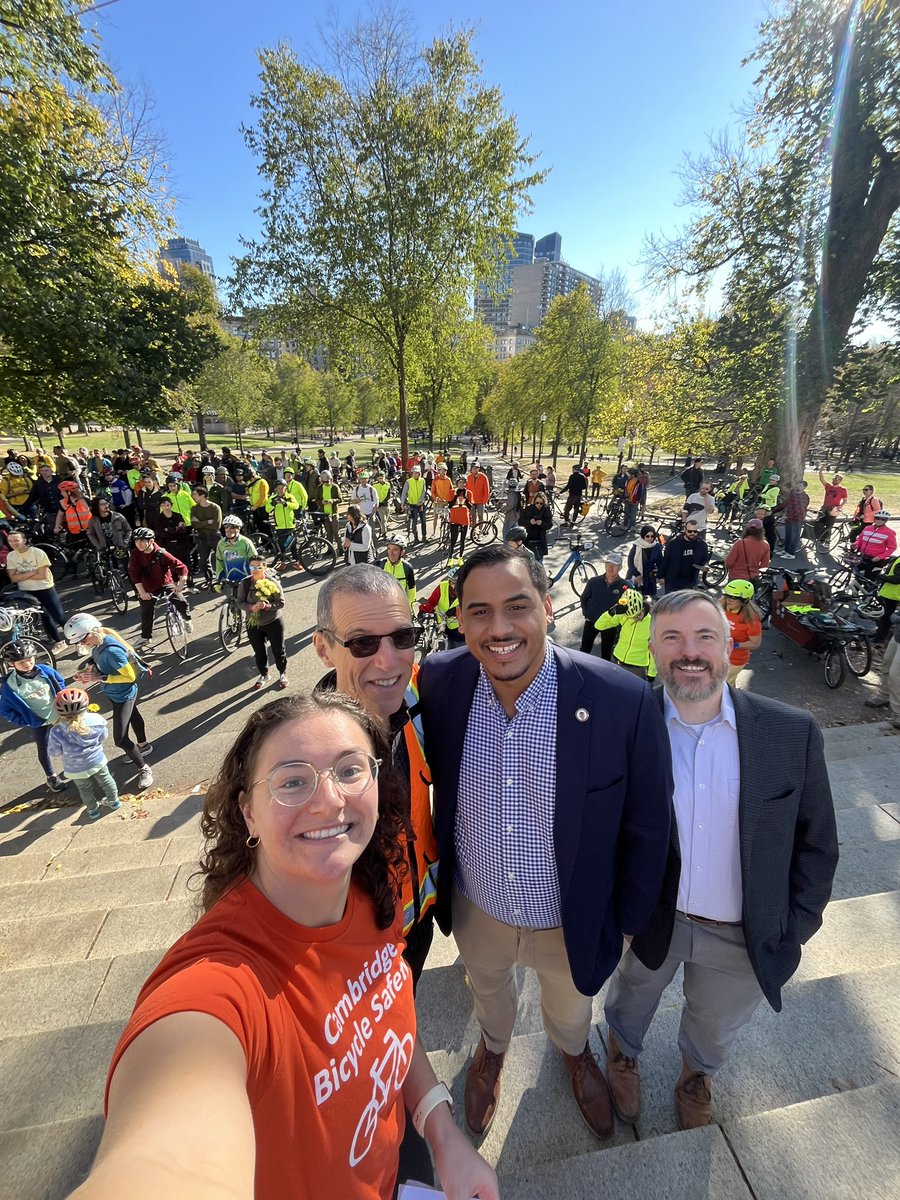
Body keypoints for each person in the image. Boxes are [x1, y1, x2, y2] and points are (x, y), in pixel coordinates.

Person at [72, 691, 497, 1200]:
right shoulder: (216, 989)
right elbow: (165, 1158)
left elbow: (386, 1021)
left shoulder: (369, 888)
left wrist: (441, 1131)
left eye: (350, 770)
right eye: (293, 781)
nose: (330, 800)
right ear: (248, 812)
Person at [418, 546, 672, 1141]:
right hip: (478, 906)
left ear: (549, 607)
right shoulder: (439, 681)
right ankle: (492, 1050)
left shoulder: (621, 700)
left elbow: (648, 825)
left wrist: (630, 921)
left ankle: (576, 1052)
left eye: (517, 607)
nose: (499, 628)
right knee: (489, 993)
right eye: (479, 611)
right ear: (459, 619)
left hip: (571, 920)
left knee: (571, 1008)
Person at [603, 589, 838, 1131]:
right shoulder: (626, 729)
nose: (690, 652)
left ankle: (696, 1076)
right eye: (673, 638)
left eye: (704, 636)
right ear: (654, 652)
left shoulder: (791, 732)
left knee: (715, 1025)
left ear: (730, 645)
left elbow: (818, 843)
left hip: (742, 931)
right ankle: (623, 1052)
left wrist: (793, 927)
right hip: (652, 920)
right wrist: (620, 914)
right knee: (631, 999)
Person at [65, 612, 153, 790]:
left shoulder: (112, 650)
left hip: (124, 694)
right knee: (133, 715)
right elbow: (99, 663)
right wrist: (87, 672)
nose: (82, 645)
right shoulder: (98, 644)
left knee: (120, 739)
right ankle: (143, 745)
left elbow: (129, 677)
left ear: (93, 631)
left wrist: (99, 678)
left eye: (83, 640)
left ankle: (144, 769)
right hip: (115, 693)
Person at [0, 641, 69, 792]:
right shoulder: (10, 686)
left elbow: (60, 682)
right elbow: (5, 709)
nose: (27, 664)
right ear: (12, 664)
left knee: (69, 740)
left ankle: (74, 765)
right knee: (43, 748)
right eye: (21, 662)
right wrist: (26, 720)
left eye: (30, 659)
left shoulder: (45, 670)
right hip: (39, 722)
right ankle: (51, 776)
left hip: (60, 715)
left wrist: (64, 701)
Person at [47, 687, 122, 820]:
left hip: (75, 768)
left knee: (85, 789)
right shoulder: (97, 720)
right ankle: (114, 802)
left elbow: (54, 751)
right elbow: (103, 736)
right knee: (106, 780)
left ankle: (93, 811)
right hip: (97, 761)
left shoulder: (57, 731)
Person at [127, 527, 191, 652]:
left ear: (151, 541)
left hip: (165, 583)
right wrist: (142, 593)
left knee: (180, 600)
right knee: (146, 611)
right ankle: (145, 637)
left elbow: (182, 567)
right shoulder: (135, 554)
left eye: (142, 540)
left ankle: (187, 618)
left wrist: (181, 584)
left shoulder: (161, 553)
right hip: (148, 587)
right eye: (136, 541)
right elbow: (134, 575)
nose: (139, 543)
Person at [4, 528, 68, 650]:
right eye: (10, 541)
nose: (13, 543)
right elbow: (14, 578)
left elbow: (42, 575)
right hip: (27, 591)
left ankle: (80, 641)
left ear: (24, 540)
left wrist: (22, 575)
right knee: (45, 616)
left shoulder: (37, 553)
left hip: (45, 588)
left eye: (16, 540)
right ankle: (59, 642)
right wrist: (33, 572)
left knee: (59, 617)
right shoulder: (11, 556)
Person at [237, 555, 288, 691]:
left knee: (278, 650)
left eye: (259, 567)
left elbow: (281, 602)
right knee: (259, 652)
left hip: (273, 622)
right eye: (252, 567)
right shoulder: (245, 583)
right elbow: (240, 602)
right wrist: (250, 607)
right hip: (253, 624)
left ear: (264, 567)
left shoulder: (272, 582)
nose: (255, 570)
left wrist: (267, 606)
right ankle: (264, 675)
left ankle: (282, 673)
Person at [595, 588, 653, 680]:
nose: (635, 619)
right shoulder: (624, 616)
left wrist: (652, 674)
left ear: (642, 608)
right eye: (632, 617)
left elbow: (654, 651)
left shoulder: (652, 624)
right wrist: (611, 612)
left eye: (637, 616)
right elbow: (599, 626)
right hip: (617, 660)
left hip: (637, 668)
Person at [579, 552, 627, 657]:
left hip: (610, 624)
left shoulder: (625, 586)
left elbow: (628, 605)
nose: (610, 567)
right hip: (592, 621)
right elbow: (584, 598)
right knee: (584, 650)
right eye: (608, 564)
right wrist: (587, 614)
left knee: (606, 653)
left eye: (614, 565)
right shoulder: (593, 581)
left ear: (620, 567)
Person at [721, 579, 763, 685]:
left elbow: (755, 643)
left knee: (722, 687)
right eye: (727, 595)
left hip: (734, 661)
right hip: (718, 655)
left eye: (734, 598)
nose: (728, 600)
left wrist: (733, 645)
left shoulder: (751, 620)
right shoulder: (722, 606)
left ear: (744, 600)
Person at [418, 559, 465, 648]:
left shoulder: (468, 591)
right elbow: (432, 601)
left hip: (459, 628)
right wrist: (423, 610)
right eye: (452, 582)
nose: (454, 585)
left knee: (459, 650)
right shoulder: (442, 586)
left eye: (458, 583)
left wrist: (455, 611)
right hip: (442, 623)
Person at [661, 522, 709, 592]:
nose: (692, 533)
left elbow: (704, 559)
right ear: (685, 530)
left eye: (695, 531)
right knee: (671, 603)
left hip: (690, 583)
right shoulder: (673, 543)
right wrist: (661, 576)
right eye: (689, 531)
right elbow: (665, 560)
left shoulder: (702, 545)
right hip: (672, 582)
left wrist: (704, 566)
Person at [190, 485, 223, 587]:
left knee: (221, 558)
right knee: (203, 561)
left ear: (203, 495)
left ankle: (222, 577)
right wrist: (208, 521)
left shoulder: (215, 508)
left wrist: (201, 523)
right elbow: (194, 524)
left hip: (215, 536)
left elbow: (216, 525)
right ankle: (209, 578)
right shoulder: (195, 508)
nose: (193, 497)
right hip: (202, 537)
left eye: (195, 494)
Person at [214, 515, 258, 585]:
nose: (228, 529)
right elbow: (219, 562)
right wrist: (218, 580)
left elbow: (255, 561)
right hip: (230, 580)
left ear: (238, 528)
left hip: (246, 580)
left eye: (232, 527)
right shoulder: (221, 543)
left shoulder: (246, 542)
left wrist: (256, 577)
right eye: (226, 526)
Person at [724, 519, 771, 585]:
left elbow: (729, 562)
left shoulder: (740, 543)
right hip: (753, 578)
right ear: (761, 530)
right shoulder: (765, 545)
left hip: (736, 576)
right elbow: (764, 566)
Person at [853, 510, 896, 581]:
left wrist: (879, 557)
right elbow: (860, 539)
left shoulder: (889, 533)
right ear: (874, 518)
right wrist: (855, 544)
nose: (879, 520)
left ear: (886, 521)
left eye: (883, 519)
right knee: (857, 576)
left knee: (868, 579)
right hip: (863, 557)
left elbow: (892, 548)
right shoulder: (867, 528)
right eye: (878, 518)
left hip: (875, 560)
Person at [376, 534, 416, 609]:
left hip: (399, 608)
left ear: (402, 552)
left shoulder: (407, 567)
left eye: (395, 549)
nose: (391, 553)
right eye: (389, 549)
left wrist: (410, 609)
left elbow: (411, 591)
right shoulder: (379, 565)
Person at [266, 480, 300, 565]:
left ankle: (296, 561)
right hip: (279, 525)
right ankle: (283, 562)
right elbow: (267, 509)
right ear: (276, 489)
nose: (280, 490)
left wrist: (286, 503)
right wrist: (273, 504)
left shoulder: (290, 496)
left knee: (292, 544)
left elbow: (296, 506)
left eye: (282, 488)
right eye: (278, 488)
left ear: (286, 488)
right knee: (282, 545)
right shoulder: (272, 498)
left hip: (290, 524)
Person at [152, 496, 193, 567]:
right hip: (166, 545)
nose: (166, 507)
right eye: (163, 505)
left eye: (168, 505)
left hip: (181, 544)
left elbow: (183, 530)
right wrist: (176, 528)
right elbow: (161, 533)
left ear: (171, 505)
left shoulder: (178, 516)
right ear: (160, 506)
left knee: (184, 563)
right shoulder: (158, 518)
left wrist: (169, 529)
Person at [626, 525, 663, 598]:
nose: (650, 538)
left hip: (649, 577)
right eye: (647, 536)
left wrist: (661, 576)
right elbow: (630, 562)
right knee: (634, 596)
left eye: (652, 536)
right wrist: (637, 574)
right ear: (643, 536)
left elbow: (660, 561)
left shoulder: (656, 546)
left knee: (648, 598)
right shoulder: (637, 545)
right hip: (636, 575)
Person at [813, 467, 847, 541]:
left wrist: (839, 507)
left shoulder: (843, 490)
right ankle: (818, 538)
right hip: (825, 507)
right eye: (834, 479)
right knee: (819, 522)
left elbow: (845, 501)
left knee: (829, 525)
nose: (834, 480)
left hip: (833, 509)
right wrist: (820, 471)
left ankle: (827, 540)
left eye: (836, 479)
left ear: (840, 481)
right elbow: (822, 479)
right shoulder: (828, 486)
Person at [778, 481, 810, 559]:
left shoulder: (804, 497)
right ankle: (786, 550)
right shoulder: (793, 494)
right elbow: (785, 504)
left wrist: (787, 516)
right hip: (789, 518)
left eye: (800, 485)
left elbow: (799, 511)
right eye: (797, 484)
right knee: (788, 536)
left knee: (794, 537)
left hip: (797, 519)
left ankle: (791, 553)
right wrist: (773, 511)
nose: (798, 486)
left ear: (804, 487)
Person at [521, 491, 553, 561]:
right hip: (528, 540)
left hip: (540, 541)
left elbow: (549, 524)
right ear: (534, 501)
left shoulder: (546, 510)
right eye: (537, 503)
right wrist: (529, 521)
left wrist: (541, 523)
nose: (539, 505)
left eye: (541, 503)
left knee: (539, 563)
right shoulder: (528, 509)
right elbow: (520, 521)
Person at [401, 465, 428, 545]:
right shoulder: (408, 481)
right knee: (414, 522)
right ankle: (416, 538)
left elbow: (424, 491)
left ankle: (424, 537)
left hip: (421, 504)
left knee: (423, 521)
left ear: (419, 473)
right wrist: (402, 503)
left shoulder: (422, 480)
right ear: (411, 473)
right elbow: (404, 493)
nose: (415, 474)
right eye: (414, 473)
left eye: (417, 473)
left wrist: (421, 501)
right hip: (412, 505)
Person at [430, 463, 454, 538]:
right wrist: (435, 498)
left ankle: (447, 532)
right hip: (438, 501)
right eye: (442, 470)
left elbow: (452, 490)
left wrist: (452, 499)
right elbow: (433, 490)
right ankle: (433, 532)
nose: (443, 472)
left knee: (447, 518)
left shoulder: (448, 479)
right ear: (439, 471)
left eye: (445, 471)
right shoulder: (435, 479)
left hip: (446, 501)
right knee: (435, 517)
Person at [447, 486, 471, 559]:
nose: (462, 484)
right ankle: (450, 558)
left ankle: (460, 557)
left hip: (464, 520)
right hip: (454, 519)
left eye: (463, 482)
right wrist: (456, 496)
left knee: (462, 540)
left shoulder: (469, 493)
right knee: (453, 540)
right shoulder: (452, 492)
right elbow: (449, 506)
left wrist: (465, 499)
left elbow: (470, 507)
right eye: (460, 482)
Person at [466, 463, 491, 530]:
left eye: (476, 468)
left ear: (478, 469)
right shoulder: (469, 477)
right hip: (471, 501)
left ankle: (480, 531)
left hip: (480, 500)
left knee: (480, 516)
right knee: (473, 517)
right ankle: (474, 532)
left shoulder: (483, 477)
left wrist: (485, 500)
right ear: (471, 469)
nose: (475, 469)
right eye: (473, 468)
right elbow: (466, 489)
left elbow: (486, 489)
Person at [623, 469, 645, 533]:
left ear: (633, 475)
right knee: (626, 513)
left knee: (633, 514)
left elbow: (640, 492)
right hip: (627, 499)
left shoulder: (638, 482)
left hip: (634, 500)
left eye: (629, 474)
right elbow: (625, 489)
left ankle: (632, 526)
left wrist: (638, 500)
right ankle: (625, 525)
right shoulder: (627, 480)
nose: (628, 475)